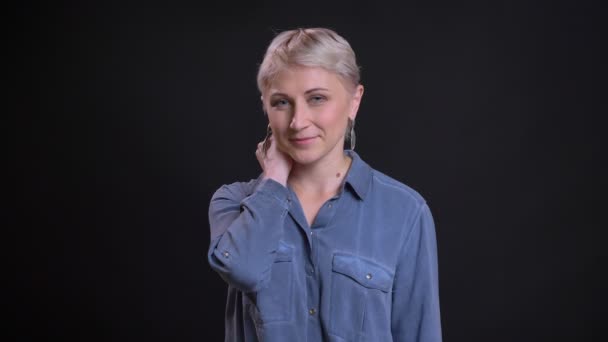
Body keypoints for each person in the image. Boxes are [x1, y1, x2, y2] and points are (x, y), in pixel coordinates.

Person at [207, 27, 442, 342]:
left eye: (316, 98)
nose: (298, 121)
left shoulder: (405, 213)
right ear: (265, 106)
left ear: (354, 102)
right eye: (281, 102)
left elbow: (419, 334)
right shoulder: (234, 202)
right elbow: (244, 270)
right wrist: (274, 178)